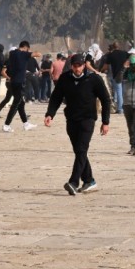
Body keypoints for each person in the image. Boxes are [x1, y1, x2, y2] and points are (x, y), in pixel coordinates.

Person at [44, 53, 111, 195]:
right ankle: (89, 180)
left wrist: (105, 122)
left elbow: (105, 100)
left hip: (88, 119)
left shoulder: (94, 79)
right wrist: (50, 114)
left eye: (79, 66)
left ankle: (74, 182)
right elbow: (56, 97)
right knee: (79, 151)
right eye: (74, 66)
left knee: (81, 149)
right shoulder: (65, 78)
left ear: (84, 65)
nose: (77, 69)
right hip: (71, 119)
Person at [0, 41, 36, 132]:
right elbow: (38, 54)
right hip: (19, 82)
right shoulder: (23, 54)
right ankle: (6, 124)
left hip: (13, 81)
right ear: (25, 47)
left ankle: (26, 124)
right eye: (27, 49)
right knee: (16, 103)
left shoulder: (12, 54)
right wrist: (28, 52)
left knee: (21, 104)